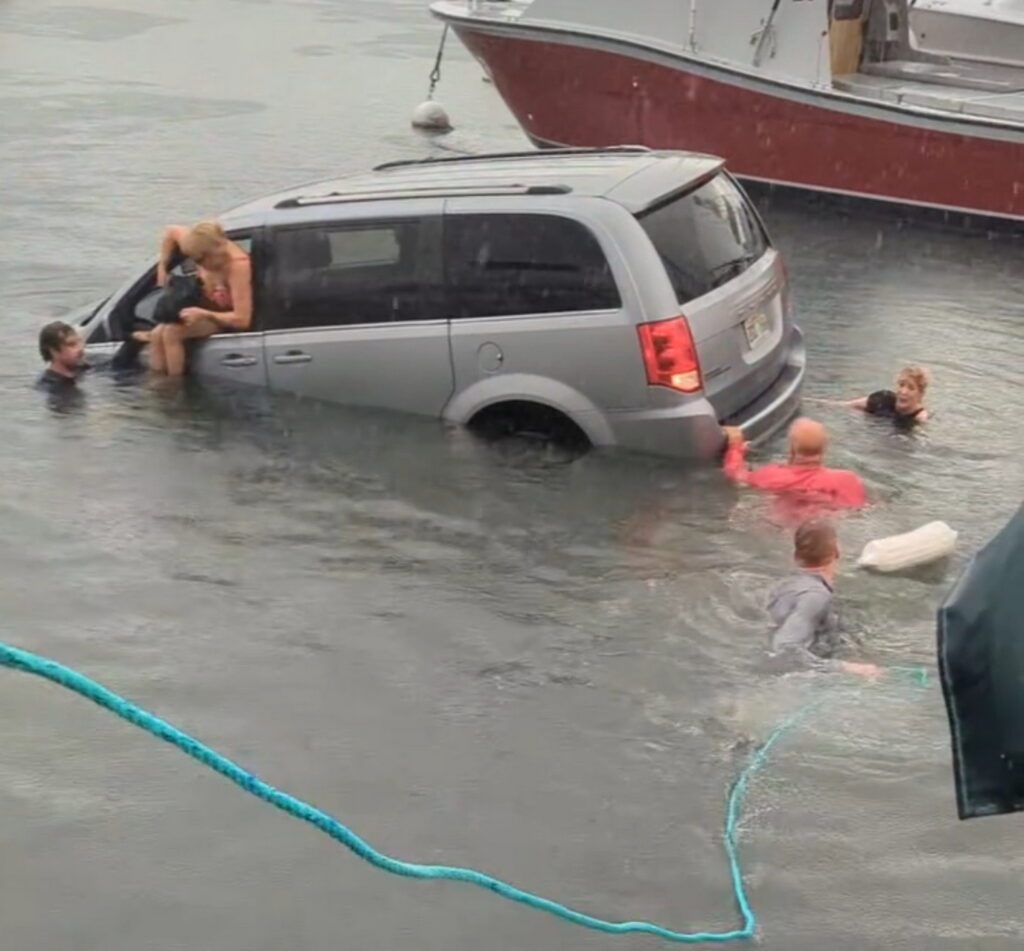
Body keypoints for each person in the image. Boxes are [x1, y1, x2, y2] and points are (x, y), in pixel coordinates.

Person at [134, 221, 252, 376]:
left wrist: (204, 314)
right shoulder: (200, 242)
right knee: (157, 333)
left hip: (223, 318)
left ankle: (174, 386)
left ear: (213, 253)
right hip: (201, 309)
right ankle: (157, 384)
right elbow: (171, 231)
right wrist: (162, 266)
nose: (199, 265)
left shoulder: (238, 267)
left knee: (171, 333)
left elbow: (242, 319)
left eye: (200, 261)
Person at [768, 518, 879, 677]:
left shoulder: (782, 586)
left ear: (796, 556)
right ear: (837, 552)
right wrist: (848, 668)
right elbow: (785, 650)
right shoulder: (816, 597)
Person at [721, 417, 867, 509]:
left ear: (791, 449)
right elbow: (858, 509)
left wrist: (735, 446)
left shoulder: (771, 476)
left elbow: (736, 474)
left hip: (784, 526)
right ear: (825, 449)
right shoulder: (848, 480)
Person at [837, 365, 930, 428]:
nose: (903, 391)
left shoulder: (919, 418)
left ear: (920, 394)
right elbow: (845, 406)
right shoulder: (883, 400)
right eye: (901, 385)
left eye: (911, 388)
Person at [36, 321, 86, 392]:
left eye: (79, 342)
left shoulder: (84, 368)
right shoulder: (51, 387)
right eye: (71, 345)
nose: (80, 349)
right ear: (54, 351)